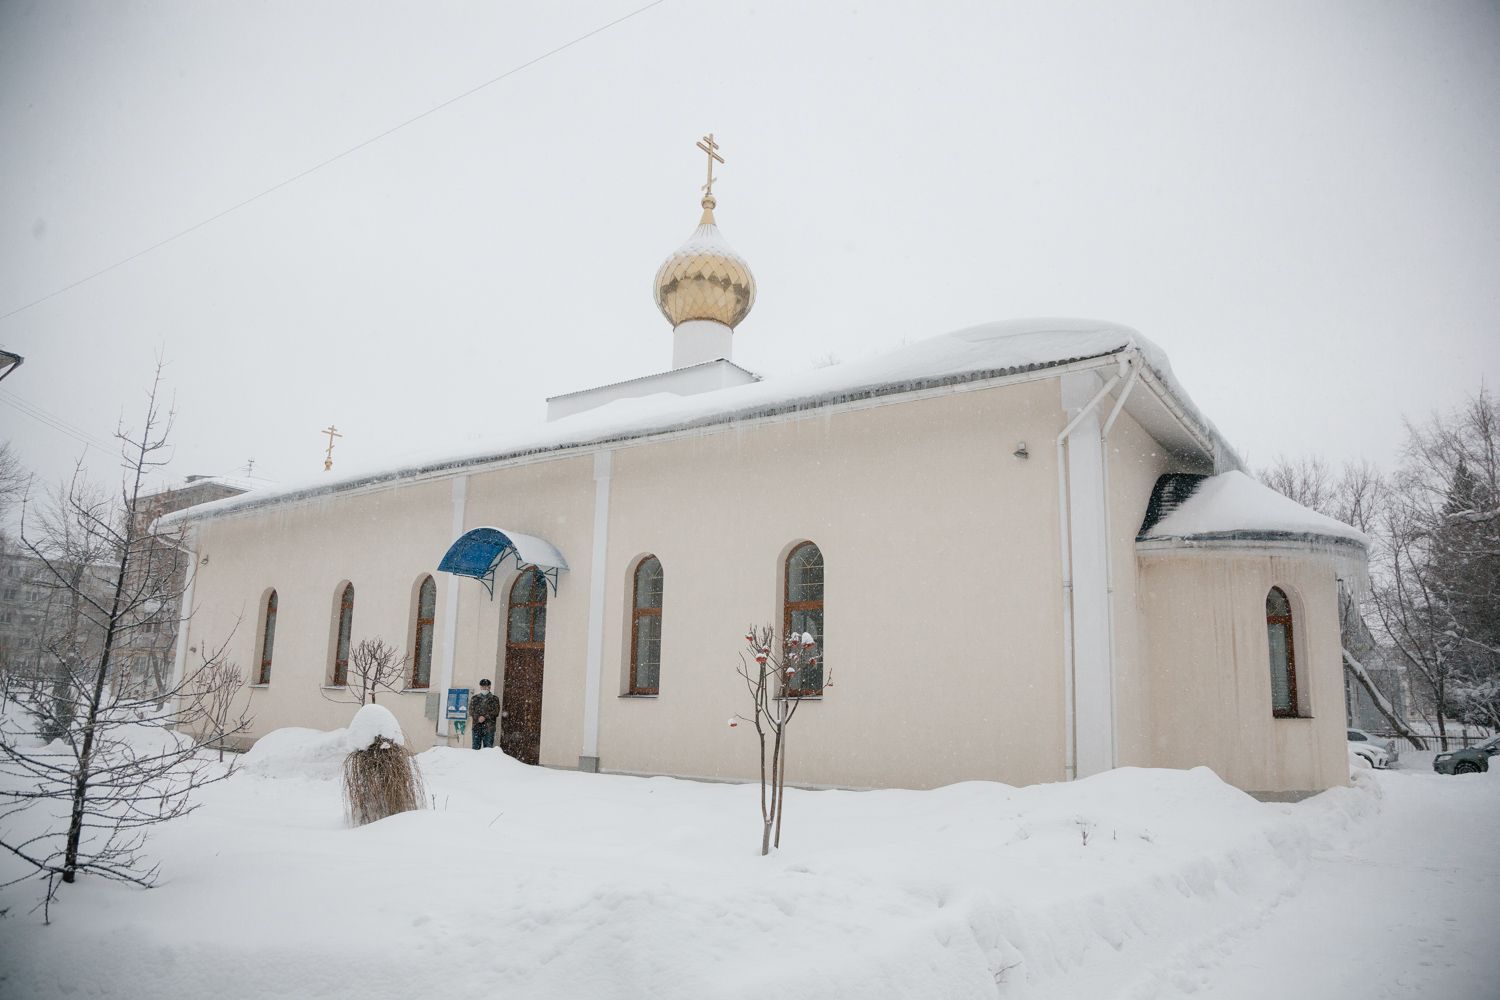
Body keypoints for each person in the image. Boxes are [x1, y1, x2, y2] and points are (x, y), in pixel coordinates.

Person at [469, 679, 500, 750]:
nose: (484, 688)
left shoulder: (494, 699)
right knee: (475, 749)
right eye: (483, 687)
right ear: (480, 687)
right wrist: (478, 717)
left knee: (488, 749)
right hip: (476, 727)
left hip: (489, 728)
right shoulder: (475, 698)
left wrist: (485, 717)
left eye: (486, 687)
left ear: (489, 687)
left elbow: (496, 712)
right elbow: (471, 711)